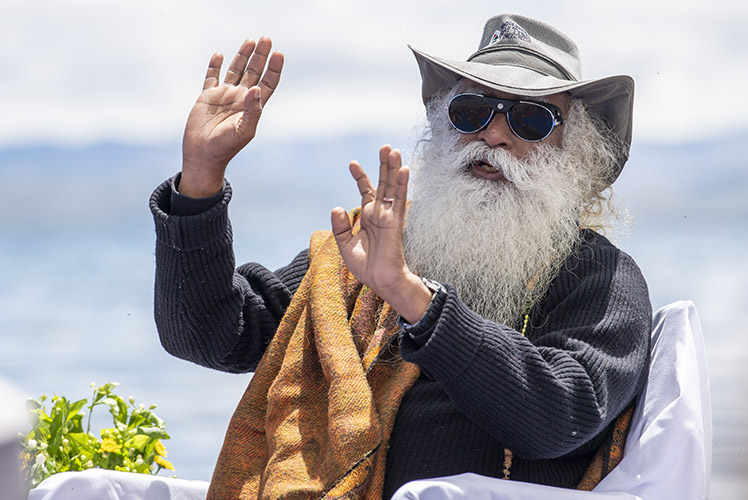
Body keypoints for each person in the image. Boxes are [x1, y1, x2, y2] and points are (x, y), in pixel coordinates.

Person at [149, 14, 652, 500]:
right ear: (443, 126)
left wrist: (411, 297)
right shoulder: (374, 244)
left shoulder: (601, 277)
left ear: (575, 150)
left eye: (530, 118)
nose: (493, 134)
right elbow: (208, 335)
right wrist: (201, 178)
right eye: (472, 110)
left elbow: (560, 416)